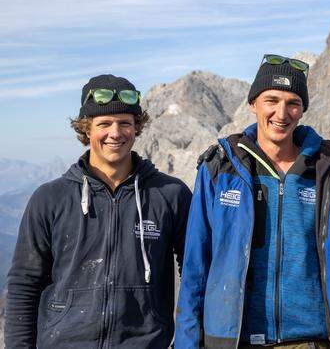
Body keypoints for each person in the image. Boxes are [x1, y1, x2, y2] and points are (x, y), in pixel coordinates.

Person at [175, 55, 330, 349]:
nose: (281, 113)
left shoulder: (327, 168)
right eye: (271, 100)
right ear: (253, 104)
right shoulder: (220, 169)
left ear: (302, 110)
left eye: (293, 103)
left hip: (311, 340)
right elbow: (196, 266)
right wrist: (187, 342)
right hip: (235, 340)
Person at [5, 74, 192, 348]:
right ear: (86, 129)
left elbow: (195, 271)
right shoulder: (50, 198)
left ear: (136, 128)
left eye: (125, 123)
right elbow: (24, 283)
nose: (115, 133)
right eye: (104, 123)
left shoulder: (170, 194)